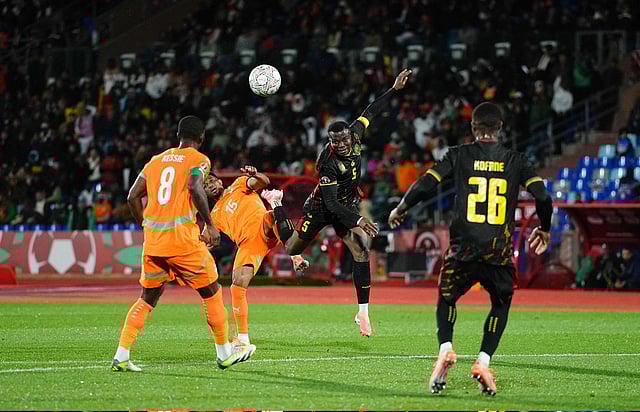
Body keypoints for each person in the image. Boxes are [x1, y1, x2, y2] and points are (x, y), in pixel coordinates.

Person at [388, 102, 553, 395]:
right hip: (498, 251)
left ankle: (446, 348)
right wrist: (545, 228)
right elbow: (542, 196)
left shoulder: (458, 155)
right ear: (500, 128)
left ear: (473, 127)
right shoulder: (516, 160)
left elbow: (426, 184)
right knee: (500, 304)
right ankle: (483, 362)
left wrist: (402, 207)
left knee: (447, 298)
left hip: (462, 249)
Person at [110, 115, 255, 372]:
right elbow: (195, 187)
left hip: (153, 243)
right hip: (182, 241)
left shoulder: (155, 161)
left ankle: (121, 355)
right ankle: (224, 353)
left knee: (147, 298)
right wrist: (210, 225)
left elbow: (132, 196)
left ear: (178, 135)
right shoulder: (199, 160)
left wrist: (145, 225)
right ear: (201, 137)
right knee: (212, 291)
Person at [285, 69, 412, 337]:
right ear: (330, 142)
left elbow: (372, 111)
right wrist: (359, 219)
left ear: (350, 136)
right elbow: (331, 205)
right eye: (335, 141)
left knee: (361, 250)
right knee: (291, 247)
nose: (341, 144)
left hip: (347, 203)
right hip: (322, 208)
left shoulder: (355, 133)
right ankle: (276, 206)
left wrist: (394, 89)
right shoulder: (327, 163)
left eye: (344, 139)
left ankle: (363, 312)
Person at [199, 166, 306, 346]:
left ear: (219, 181)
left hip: (263, 226)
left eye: (211, 181)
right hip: (248, 245)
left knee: (271, 216)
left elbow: (264, 181)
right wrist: (199, 239)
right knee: (237, 286)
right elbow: (206, 240)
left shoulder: (239, 184)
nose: (209, 185)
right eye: (205, 185)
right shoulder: (213, 216)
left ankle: (295, 256)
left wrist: (255, 174)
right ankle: (243, 339)